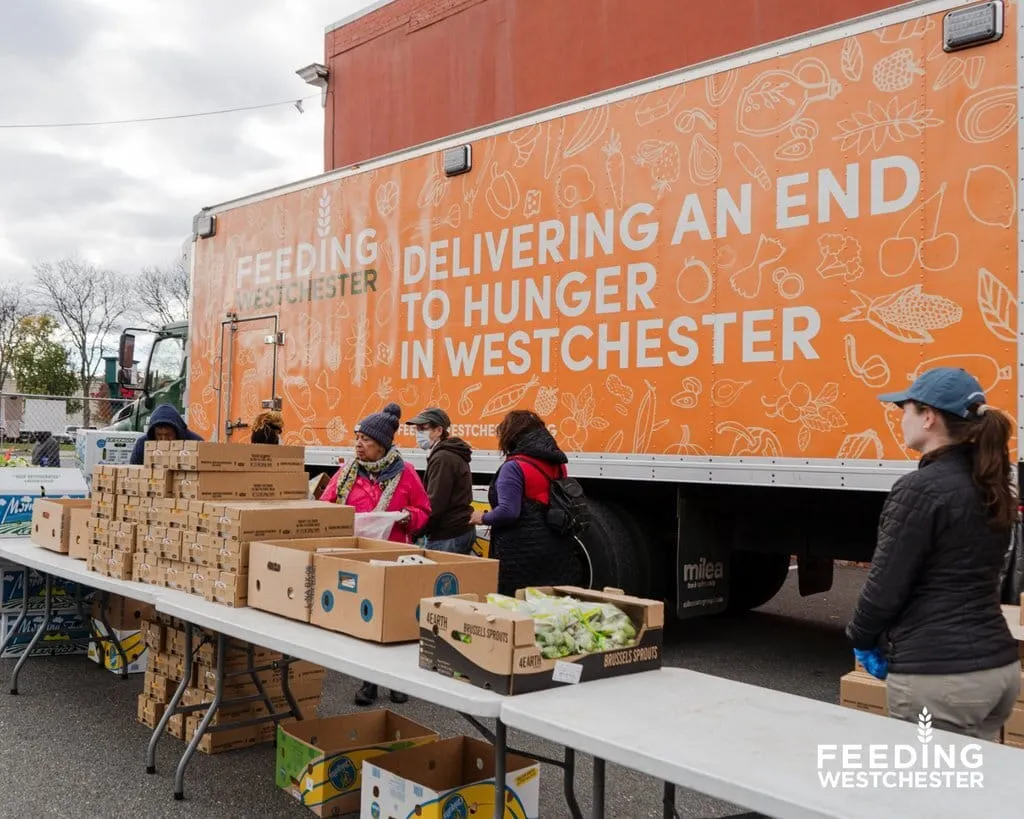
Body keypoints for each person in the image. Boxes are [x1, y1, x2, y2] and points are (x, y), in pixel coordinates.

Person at [846, 367, 1020, 742]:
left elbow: (884, 587)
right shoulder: (991, 484)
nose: (900, 418)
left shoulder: (920, 490)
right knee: (970, 790)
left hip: (940, 681)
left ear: (929, 417)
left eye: (904, 408)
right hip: (997, 672)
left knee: (926, 796)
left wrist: (861, 637)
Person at [319, 402, 430, 706]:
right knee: (366, 618)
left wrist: (407, 516)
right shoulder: (346, 472)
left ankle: (396, 681)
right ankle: (369, 681)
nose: (359, 444)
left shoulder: (405, 473)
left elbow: (423, 512)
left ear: (381, 445)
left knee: (395, 620)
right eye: (357, 438)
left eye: (365, 440)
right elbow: (326, 508)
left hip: (394, 557)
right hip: (357, 557)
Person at [470, 410, 582, 596]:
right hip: (557, 547)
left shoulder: (513, 467)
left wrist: (481, 517)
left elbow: (508, 512)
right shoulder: (558, 464)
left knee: (518, 607)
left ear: (511, 435)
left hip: (520, 554)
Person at [407, 407, 476, 554]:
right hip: (458, 530)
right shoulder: (447, 454)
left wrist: (416, 531)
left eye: (423, 428)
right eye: (417, 429)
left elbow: (435, 503)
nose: (418, 433)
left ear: (439, 430)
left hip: (447, 534)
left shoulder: (442, 458)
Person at [129, 404, 203, 465]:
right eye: (159, 435)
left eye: (168, 435)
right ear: (153, 433)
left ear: (177, 431)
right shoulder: (142, 444)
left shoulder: (196, 443)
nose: (164, 440)